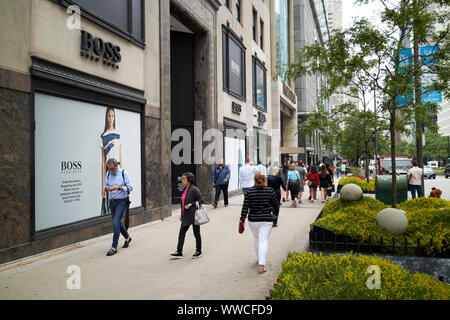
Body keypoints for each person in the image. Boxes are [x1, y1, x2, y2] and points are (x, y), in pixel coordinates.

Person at [240, 172, 279, 274]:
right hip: (266, 220)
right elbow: (276, 205)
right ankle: (262, 265)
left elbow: (245, 207)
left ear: (254, 180)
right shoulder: (270, 191)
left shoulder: (249, 192)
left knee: (257, 239)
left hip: (253, 220)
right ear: (264, 180)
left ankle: (259, 258)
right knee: (263, 241)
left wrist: (242, 219)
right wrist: (275, 214)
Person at [171, 172, 204, 259]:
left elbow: (201, 200)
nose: (182, 180)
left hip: (193, 215)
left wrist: (191, 204)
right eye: (182, 179)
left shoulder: (194, 189)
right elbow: (182, 203)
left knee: (196, 233)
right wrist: (182, 215)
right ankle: (179, 251)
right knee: (181, 233)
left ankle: (198, 251)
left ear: (189, 180)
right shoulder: (185, 189)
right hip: (186, 215)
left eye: (184, 179)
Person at [104, 158, 132, 256]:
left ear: (116, 166)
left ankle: (114, 247)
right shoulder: (108, 174)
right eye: (109, 169)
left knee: (116, 222)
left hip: (121, 201)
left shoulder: (124, 173)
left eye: (112, 169)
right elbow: (105, 185)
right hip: (112, 202)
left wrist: (119, 188)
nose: (110, 171)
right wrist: (107, 188)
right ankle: (127, 237)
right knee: (117, 223)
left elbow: (130, 187)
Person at [101, 107, 122, 216]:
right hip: (108, 173)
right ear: (106, 117)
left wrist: (122, 176)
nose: (111, 118)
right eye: (109, 116)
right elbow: (102, 163)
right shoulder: (103, 136)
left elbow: (120, 157)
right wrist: (102, 187)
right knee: (109, 207)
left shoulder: (118, 134)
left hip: (118, 172)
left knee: (119, 203)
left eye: (112, 116)